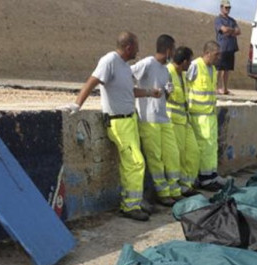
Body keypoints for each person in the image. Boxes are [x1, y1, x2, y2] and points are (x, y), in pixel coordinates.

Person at [69, 32, 163, 222]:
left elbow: (129, 91)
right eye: (136, 46)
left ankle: (135, 201)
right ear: (128, 47)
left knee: (131, 163)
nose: (138, 50)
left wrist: (149, 93)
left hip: (129, 120)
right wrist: (77, 105)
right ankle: (130, 206)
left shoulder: (125, 67)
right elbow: (92, 80)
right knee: (135, 162)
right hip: (119, 122)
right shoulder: (110, 60)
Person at [131, 34, 183, 207]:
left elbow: (165, 94)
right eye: (173, 49)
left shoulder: (165, 69)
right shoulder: (147, 63)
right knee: (155, 158)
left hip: (163, 117)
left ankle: (174, 190)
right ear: (168, 50)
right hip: (149, 119)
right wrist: (145, 91)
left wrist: (167, 91)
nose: (174, 53)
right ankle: (163, 193)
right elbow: (128, 77)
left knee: (172, 154)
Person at [187, 40, 225, 190]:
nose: (218, 58)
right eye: (216, 55)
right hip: (198, 115)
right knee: (203, 146)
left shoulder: (213, 69)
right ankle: (204, 177)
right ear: (207, 53)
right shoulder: (195, 66)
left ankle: (211, 174)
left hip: (209, 114)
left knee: (211, 145)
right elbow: (185, 85)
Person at [167, 46, 201, 195]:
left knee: (193, 152)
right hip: (173, 121)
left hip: (184, 120)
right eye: (190, 61)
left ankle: (187, 183)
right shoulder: (168, 72)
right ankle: (181, 186)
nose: (191, 64)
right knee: (178, 156)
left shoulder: (182, 74)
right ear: (185, 61)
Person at [214, 0, 241, 95]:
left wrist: (230, 30)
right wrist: (231, 31)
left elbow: (238, 31)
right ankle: (215, 88)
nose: (228, 9)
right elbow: (223, 29)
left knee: (227, 69)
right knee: (218, 69)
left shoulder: (232, 20)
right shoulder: (218, 19)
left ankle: (224, 88)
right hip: (222, 48)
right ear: (221, 8)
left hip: (230, 48)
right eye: (226, 8)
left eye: (229, 8)